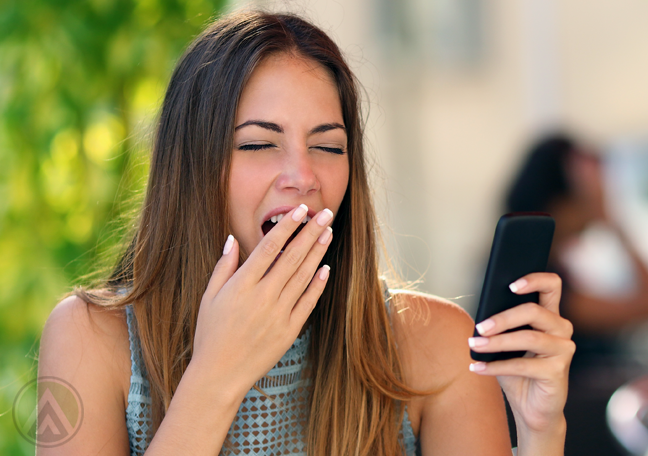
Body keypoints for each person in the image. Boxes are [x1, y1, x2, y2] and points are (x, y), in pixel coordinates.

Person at [38, 11, 575, 456]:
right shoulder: (91, 340)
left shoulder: (432, 345)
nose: (304, 175)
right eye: (257, 144)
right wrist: (217, 376)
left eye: (328, 145)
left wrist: (540, 434)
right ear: (191, 167)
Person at [505, 133, 648, 455]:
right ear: (564, 194)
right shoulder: (536, 277)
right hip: (579, 424)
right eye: (592, 183)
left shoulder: (554, 267)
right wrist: (612, 219)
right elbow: (644, 303)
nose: (600, 191)